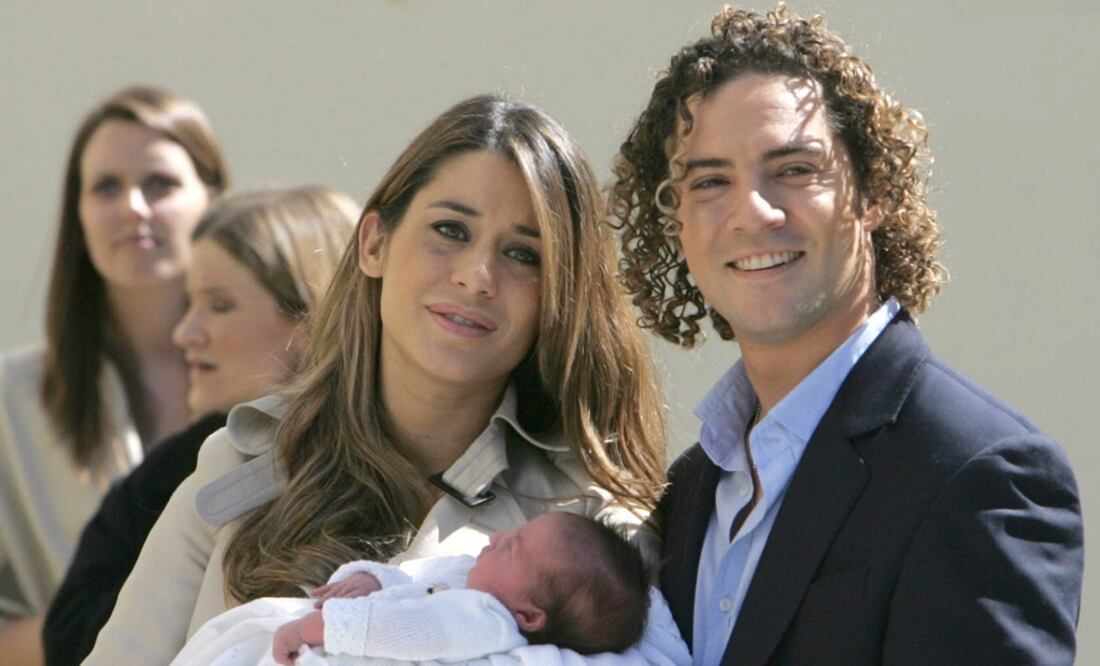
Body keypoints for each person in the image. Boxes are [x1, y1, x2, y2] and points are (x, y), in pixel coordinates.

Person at [85, 94, 670, 665]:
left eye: (523, 255)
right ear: (374, 244)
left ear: (559, 298)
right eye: (451, 230)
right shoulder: (241, 462)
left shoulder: (596, 527)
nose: (477, 276)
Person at [608, 5, 1083, 665]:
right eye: (711, 181)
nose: (753, 212)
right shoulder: (687, 493)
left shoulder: (980, 474)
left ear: (872, 192)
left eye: (794, 169)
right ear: (677, 224)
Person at [40, 186, 357, 666]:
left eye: (220, 305)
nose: (185, 332)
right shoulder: (181, 469)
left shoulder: (388, 463)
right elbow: (71, 636)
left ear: (311, 319)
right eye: (189, 303)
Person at [0, 85, 228, 665]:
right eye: (106, 186)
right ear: (77, 215)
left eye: (160, 183)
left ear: (214, 199)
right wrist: (111, 630)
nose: (133, 207)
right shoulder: (11, 401)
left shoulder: (273, 379)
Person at [171, 512, 652, 665]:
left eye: (513, 548)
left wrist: (314, 629)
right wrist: (370, 579)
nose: (496, 538)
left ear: (529, 616)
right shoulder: (468, 584)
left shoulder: (485, 621)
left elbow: (408, 627)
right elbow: (411, 585)